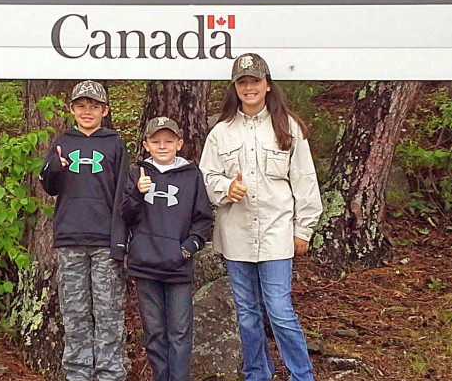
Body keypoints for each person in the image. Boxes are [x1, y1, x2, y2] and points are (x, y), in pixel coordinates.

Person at [199, 53, 323, 381]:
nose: (249, 87)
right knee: (247, 314)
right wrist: (227, 188)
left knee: (280, 312)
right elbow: (206, 179)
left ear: (267, 85)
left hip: (276, 235)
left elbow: (305, 181)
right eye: (243, 82)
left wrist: (304, 229)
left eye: (255, 81)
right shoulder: (221, 132)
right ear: (235, 87)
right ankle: (257, 373)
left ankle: (302, 375)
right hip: (236, 236)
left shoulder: (288, 127)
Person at [38, 80, 129, 381]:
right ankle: (77, 374)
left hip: (105, 241)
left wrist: (120, 241)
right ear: (71, 109)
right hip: (70, 239)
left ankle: (110, 374)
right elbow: (49, 187)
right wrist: (56, 167)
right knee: (75, 314)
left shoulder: (115, 144)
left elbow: (123, 196)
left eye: (93, 106)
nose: (87, 111)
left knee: (108, 314)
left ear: (105, 110)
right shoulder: (63, 141)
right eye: (81, 106)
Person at [120, 117, 213, 381]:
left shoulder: (191, 175)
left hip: (178, 266)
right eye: (156, 141)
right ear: (146, 144)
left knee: (180, 333)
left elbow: (203, 218)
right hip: (145, 265)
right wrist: (138, 193)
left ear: (179, 143)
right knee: (154, 332)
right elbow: (126, 214)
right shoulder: (137, 172)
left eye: (169, 141)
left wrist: (187, 248)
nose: (162, 146)